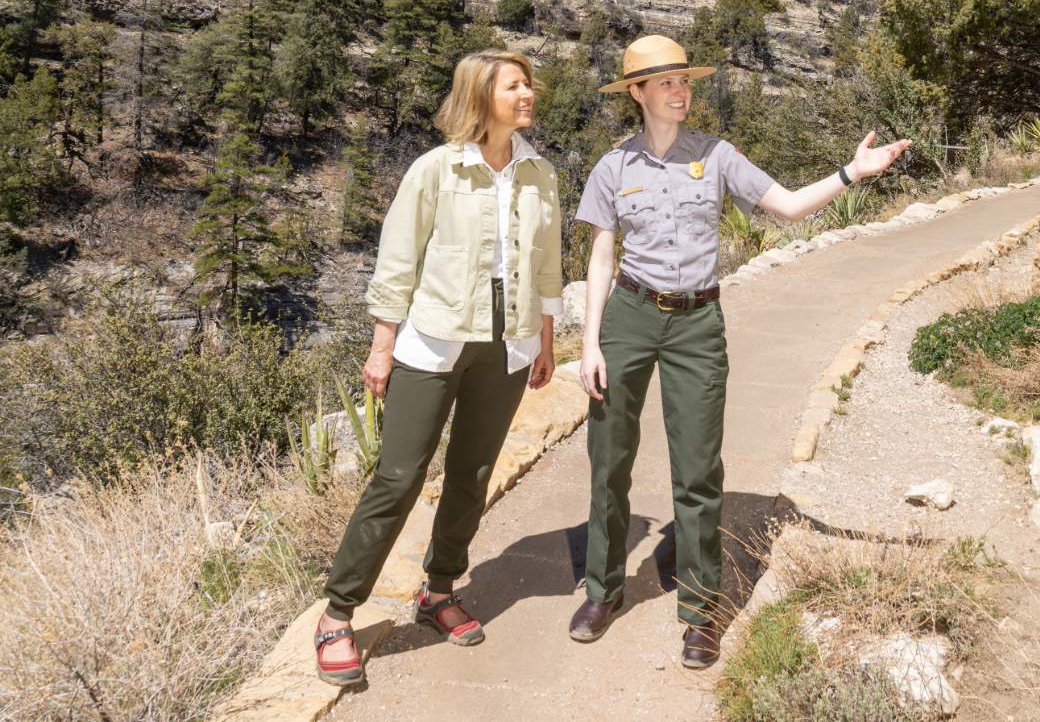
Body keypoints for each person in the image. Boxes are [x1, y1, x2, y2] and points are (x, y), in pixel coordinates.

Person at [567, 34, 910, 668]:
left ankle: (701, 611)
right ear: (637, 94)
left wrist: (851, 173)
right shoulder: (613, 167)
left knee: (698, 469)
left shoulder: (718, 155)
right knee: (608, 457)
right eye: (665, 82)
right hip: (630, 316)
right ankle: (602, 590)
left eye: (685, 80)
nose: (680, 90)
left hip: (697, 323)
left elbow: (785, 207)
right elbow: (600, 257)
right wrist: (590, 343)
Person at [313, 50, 564, 685]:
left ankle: (439, 590)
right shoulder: (435, 170)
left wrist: (546, 339)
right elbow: (397, 259)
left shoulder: (540, 173)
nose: (527, 93)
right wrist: (380, 345)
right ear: (481, 96)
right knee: (397, 477)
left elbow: (546, 264)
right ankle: (338, 613)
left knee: (472, 474)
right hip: (433, 343)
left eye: (528, 83)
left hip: (506, 345)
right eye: (514, 85)